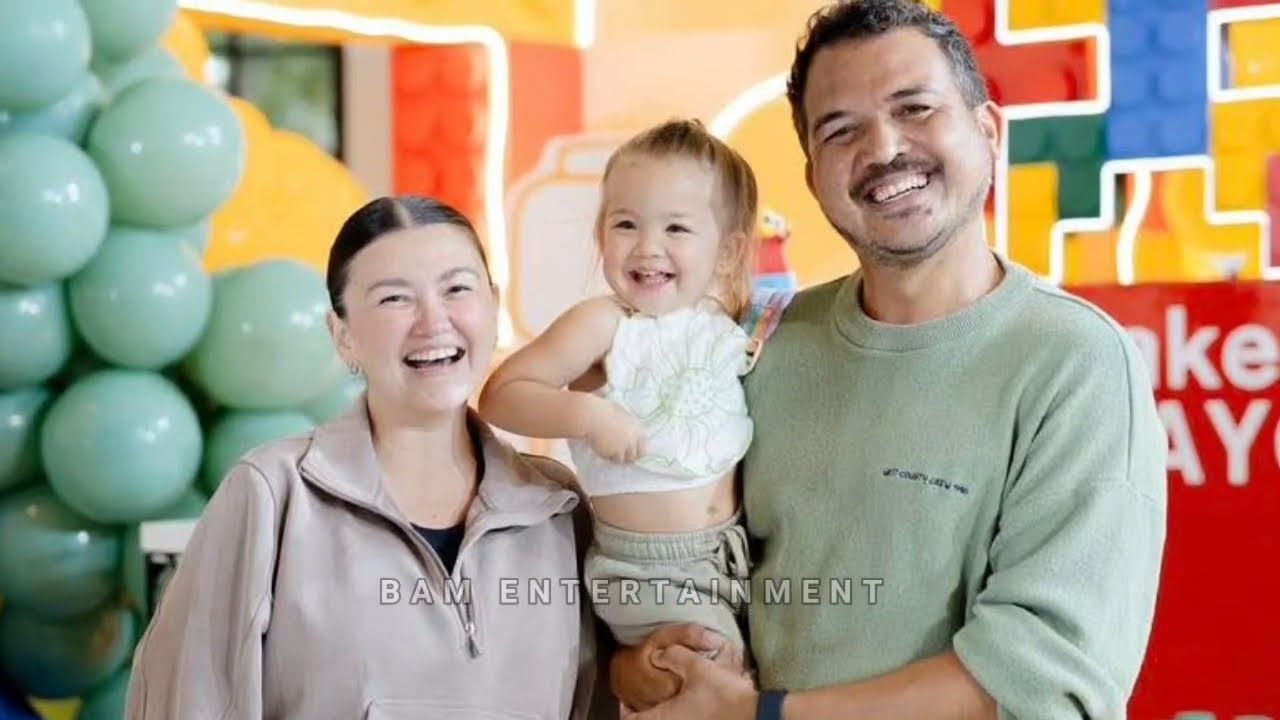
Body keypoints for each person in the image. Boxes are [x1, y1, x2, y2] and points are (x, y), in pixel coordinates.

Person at [610, 1, 1170, 718]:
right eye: (840, 130)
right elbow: (681, 560)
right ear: (813, 177)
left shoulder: (1075, 362)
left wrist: (765, 714)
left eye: (915, 108)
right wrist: (641, 664)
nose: (882, 149)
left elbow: (1047, 677)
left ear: (988, 131)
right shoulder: (758, 344)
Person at [125, 196, 617, 719]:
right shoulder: (273, 494)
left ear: (493, 308)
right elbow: (189, 700)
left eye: (457, 289)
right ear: (343, 337)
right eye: (394, 299)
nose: (433, 321)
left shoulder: (555, 507)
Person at [478, 120, 761, 669]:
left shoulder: (721, 326)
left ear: (727, 252)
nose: (648, 247)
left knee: (753, 671)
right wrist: (589, 414)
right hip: (645, 570)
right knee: (713, 674)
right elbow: (502, 394)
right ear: (600, 236)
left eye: (676, 228)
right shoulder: (604, 324)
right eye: (626, 224)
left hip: (732, 557)